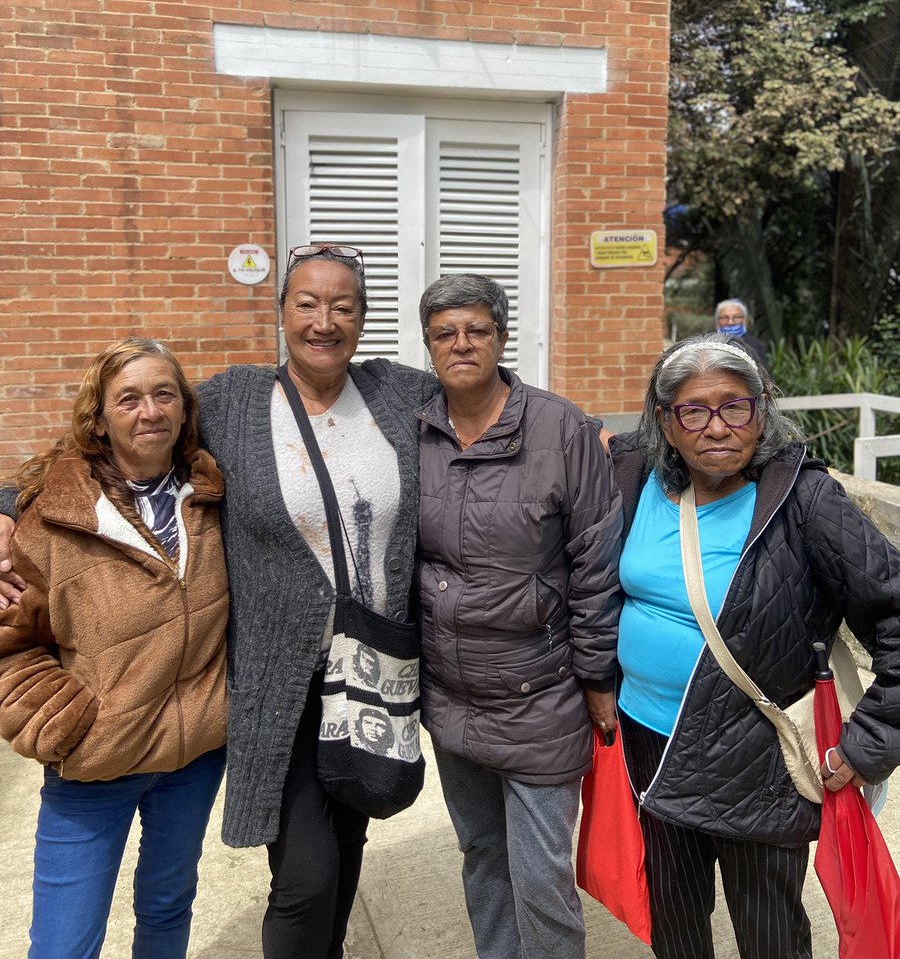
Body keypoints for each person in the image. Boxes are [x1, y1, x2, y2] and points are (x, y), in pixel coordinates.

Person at [0, 246, 435, 959]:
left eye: (344, 306)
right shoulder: (233, 402)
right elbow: (119, 436)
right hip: (278, 682)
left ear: (363, 319)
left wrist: (606, 445)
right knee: (305, 876)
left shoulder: (398, 393)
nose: (324, 321)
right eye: (307, 303)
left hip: (372, 672)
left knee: (340, 839)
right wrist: (5, 504)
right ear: (281, 312)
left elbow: (493, 405)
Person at [609, 333, 900, 959]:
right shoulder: (636, 480)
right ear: (665, 419)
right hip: (648, 740)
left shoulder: (805, 500)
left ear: (762, 410)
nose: (716, 427)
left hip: (758, 757)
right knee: (675, 920)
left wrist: (870, 742)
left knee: (768, 932)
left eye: (734, 406)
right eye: (693, 409)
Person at [415, 273, 623, 959]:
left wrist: (597, 677)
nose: (462, 343)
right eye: (445, 333)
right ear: (429, 345)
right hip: (451, 696)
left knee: (541, 879)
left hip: (540, 695)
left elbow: (596, 563)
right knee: (482, 857)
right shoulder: (416, 430)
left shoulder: (559, 426)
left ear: (502, 338)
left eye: (476, 329)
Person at [0, 337, 228, 959]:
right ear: (98, 418)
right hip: (97, 762)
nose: (149, 411)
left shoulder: (213, 498)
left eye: (164, 394)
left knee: (166, 906)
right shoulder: (51, 521)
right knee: (63, 942)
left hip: (195, 757)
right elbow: (11, 647)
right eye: (127, 399)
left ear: (184, 409)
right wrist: (60, 721)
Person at [714, 298, 769, 367]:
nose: (731, 322)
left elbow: (764, 373)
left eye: (736, 317)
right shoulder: (708, 343)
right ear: (717, 321)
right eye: (725, 317)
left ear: (745, 321)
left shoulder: (755, 345)